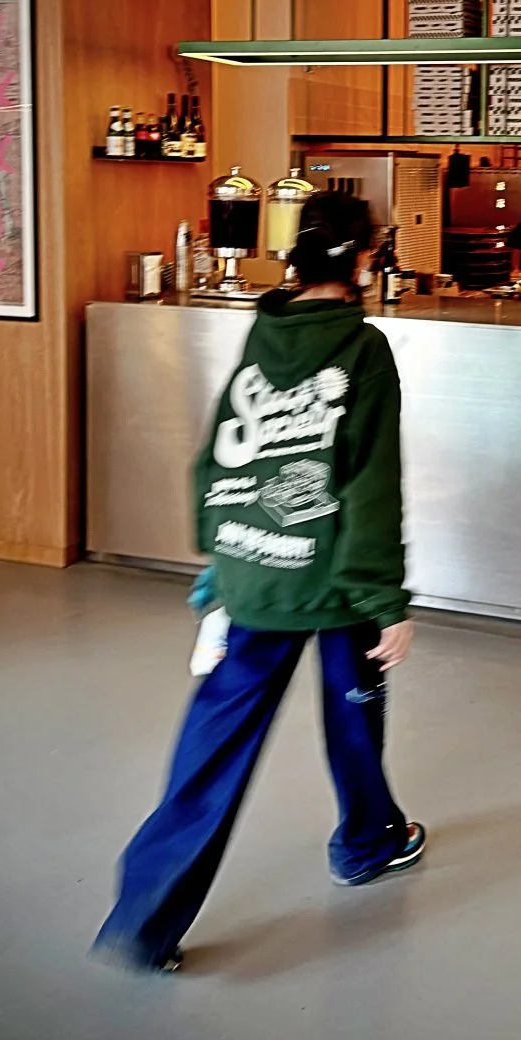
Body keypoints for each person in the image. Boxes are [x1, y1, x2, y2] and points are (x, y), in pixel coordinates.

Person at [92, 190, 424, 974]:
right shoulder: (362, 348)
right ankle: (366, 843)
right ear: (366, 259)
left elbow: (217, 455)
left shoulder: (262, 333)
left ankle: (143, 920)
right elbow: (371, 487)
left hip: (252, 566)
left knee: (212, 745)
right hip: (337, 581)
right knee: (354, 719)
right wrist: (387, 602)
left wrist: (220, 556)